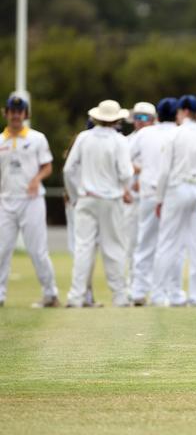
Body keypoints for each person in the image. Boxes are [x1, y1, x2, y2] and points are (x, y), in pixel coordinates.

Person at [152, 95, 196, 307]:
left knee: (167, 243)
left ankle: (159, 295)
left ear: (182, 111)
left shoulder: (175, 135)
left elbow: (164, 171)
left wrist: (159, 198)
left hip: (177, 188)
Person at [63, 99, 133, 307]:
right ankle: (119, 297)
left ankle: (76, 297)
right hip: (111, 200)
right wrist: (123, 189)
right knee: (114, 249)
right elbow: (126, 173)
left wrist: (76, 195)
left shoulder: (84, 138)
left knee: (83, 248)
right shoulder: (119, 140)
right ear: (116, 120)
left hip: (86, 198)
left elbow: (68, 170)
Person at [0, 93, 59, 307]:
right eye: (12, 111)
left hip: (32, 200)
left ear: (25, 114)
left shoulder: (37, 138)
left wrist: (36, 179)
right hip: (5, 201)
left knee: (37, 250)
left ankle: (50, 294)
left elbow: (48, 166)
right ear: (6, 113)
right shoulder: (1, 140)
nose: (16, 115)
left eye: (19, 112)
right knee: (1, 250)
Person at [129, 98, 181, 306]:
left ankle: (139, 292)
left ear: (157, 116)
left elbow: (124, 158)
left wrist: (139, 173)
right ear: (177, 115)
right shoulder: (181, 133)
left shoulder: (144, 134)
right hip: (173, 196)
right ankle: (172, 292)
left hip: (150, 194)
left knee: (145, 245)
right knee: (173, 246)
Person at [124, 102, 157, 286]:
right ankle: (132, 284)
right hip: (132, 200)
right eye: (136, 118)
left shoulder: (159, 139)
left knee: (154, 244)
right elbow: (122, 163)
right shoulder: (127, 141)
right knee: (131, 243)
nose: (139, 122)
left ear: (152, 120)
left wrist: (143, 176)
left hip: (152, 197)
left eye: (143, 118)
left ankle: (151, 284)